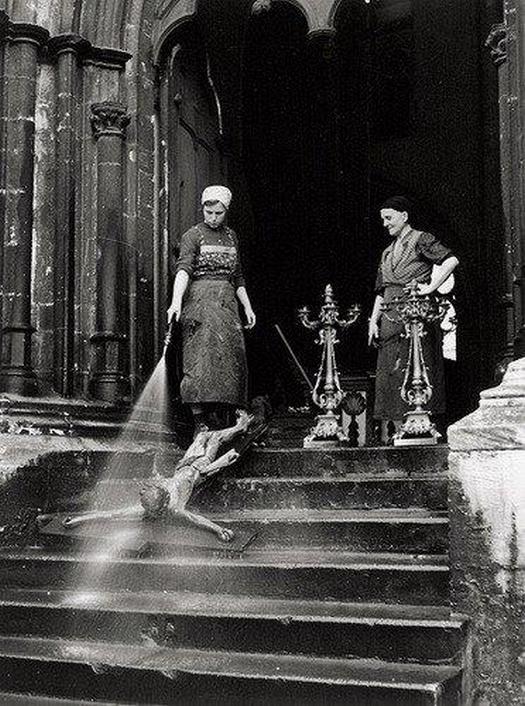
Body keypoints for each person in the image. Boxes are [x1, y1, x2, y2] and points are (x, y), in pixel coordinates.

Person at [368, 196, 459, 442]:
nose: (385, 224)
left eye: (389, 218)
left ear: (404, 216)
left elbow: (451, 260)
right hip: (389, 316)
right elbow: (381, 288)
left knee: (418, 365)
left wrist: (430, 288)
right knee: (392, 370)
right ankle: (400, 429)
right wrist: (372, 320)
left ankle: (423, 425)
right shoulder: (387, 252)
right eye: (383, 219)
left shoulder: (421, 239)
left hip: (415, 312)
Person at [167, 185, 256, 428]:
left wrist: (247, 307)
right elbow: (184, 269)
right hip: (200, 302)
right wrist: (176, 302)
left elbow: (237, 276)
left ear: (226, 211)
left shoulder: (232, 237)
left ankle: (223, 418)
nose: (213, 218)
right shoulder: (192, 236)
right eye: (209, 213)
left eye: (218, 213)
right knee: (199, 360)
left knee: (229, 360)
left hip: (227, 304)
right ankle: (200, 421)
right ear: (203, 209)